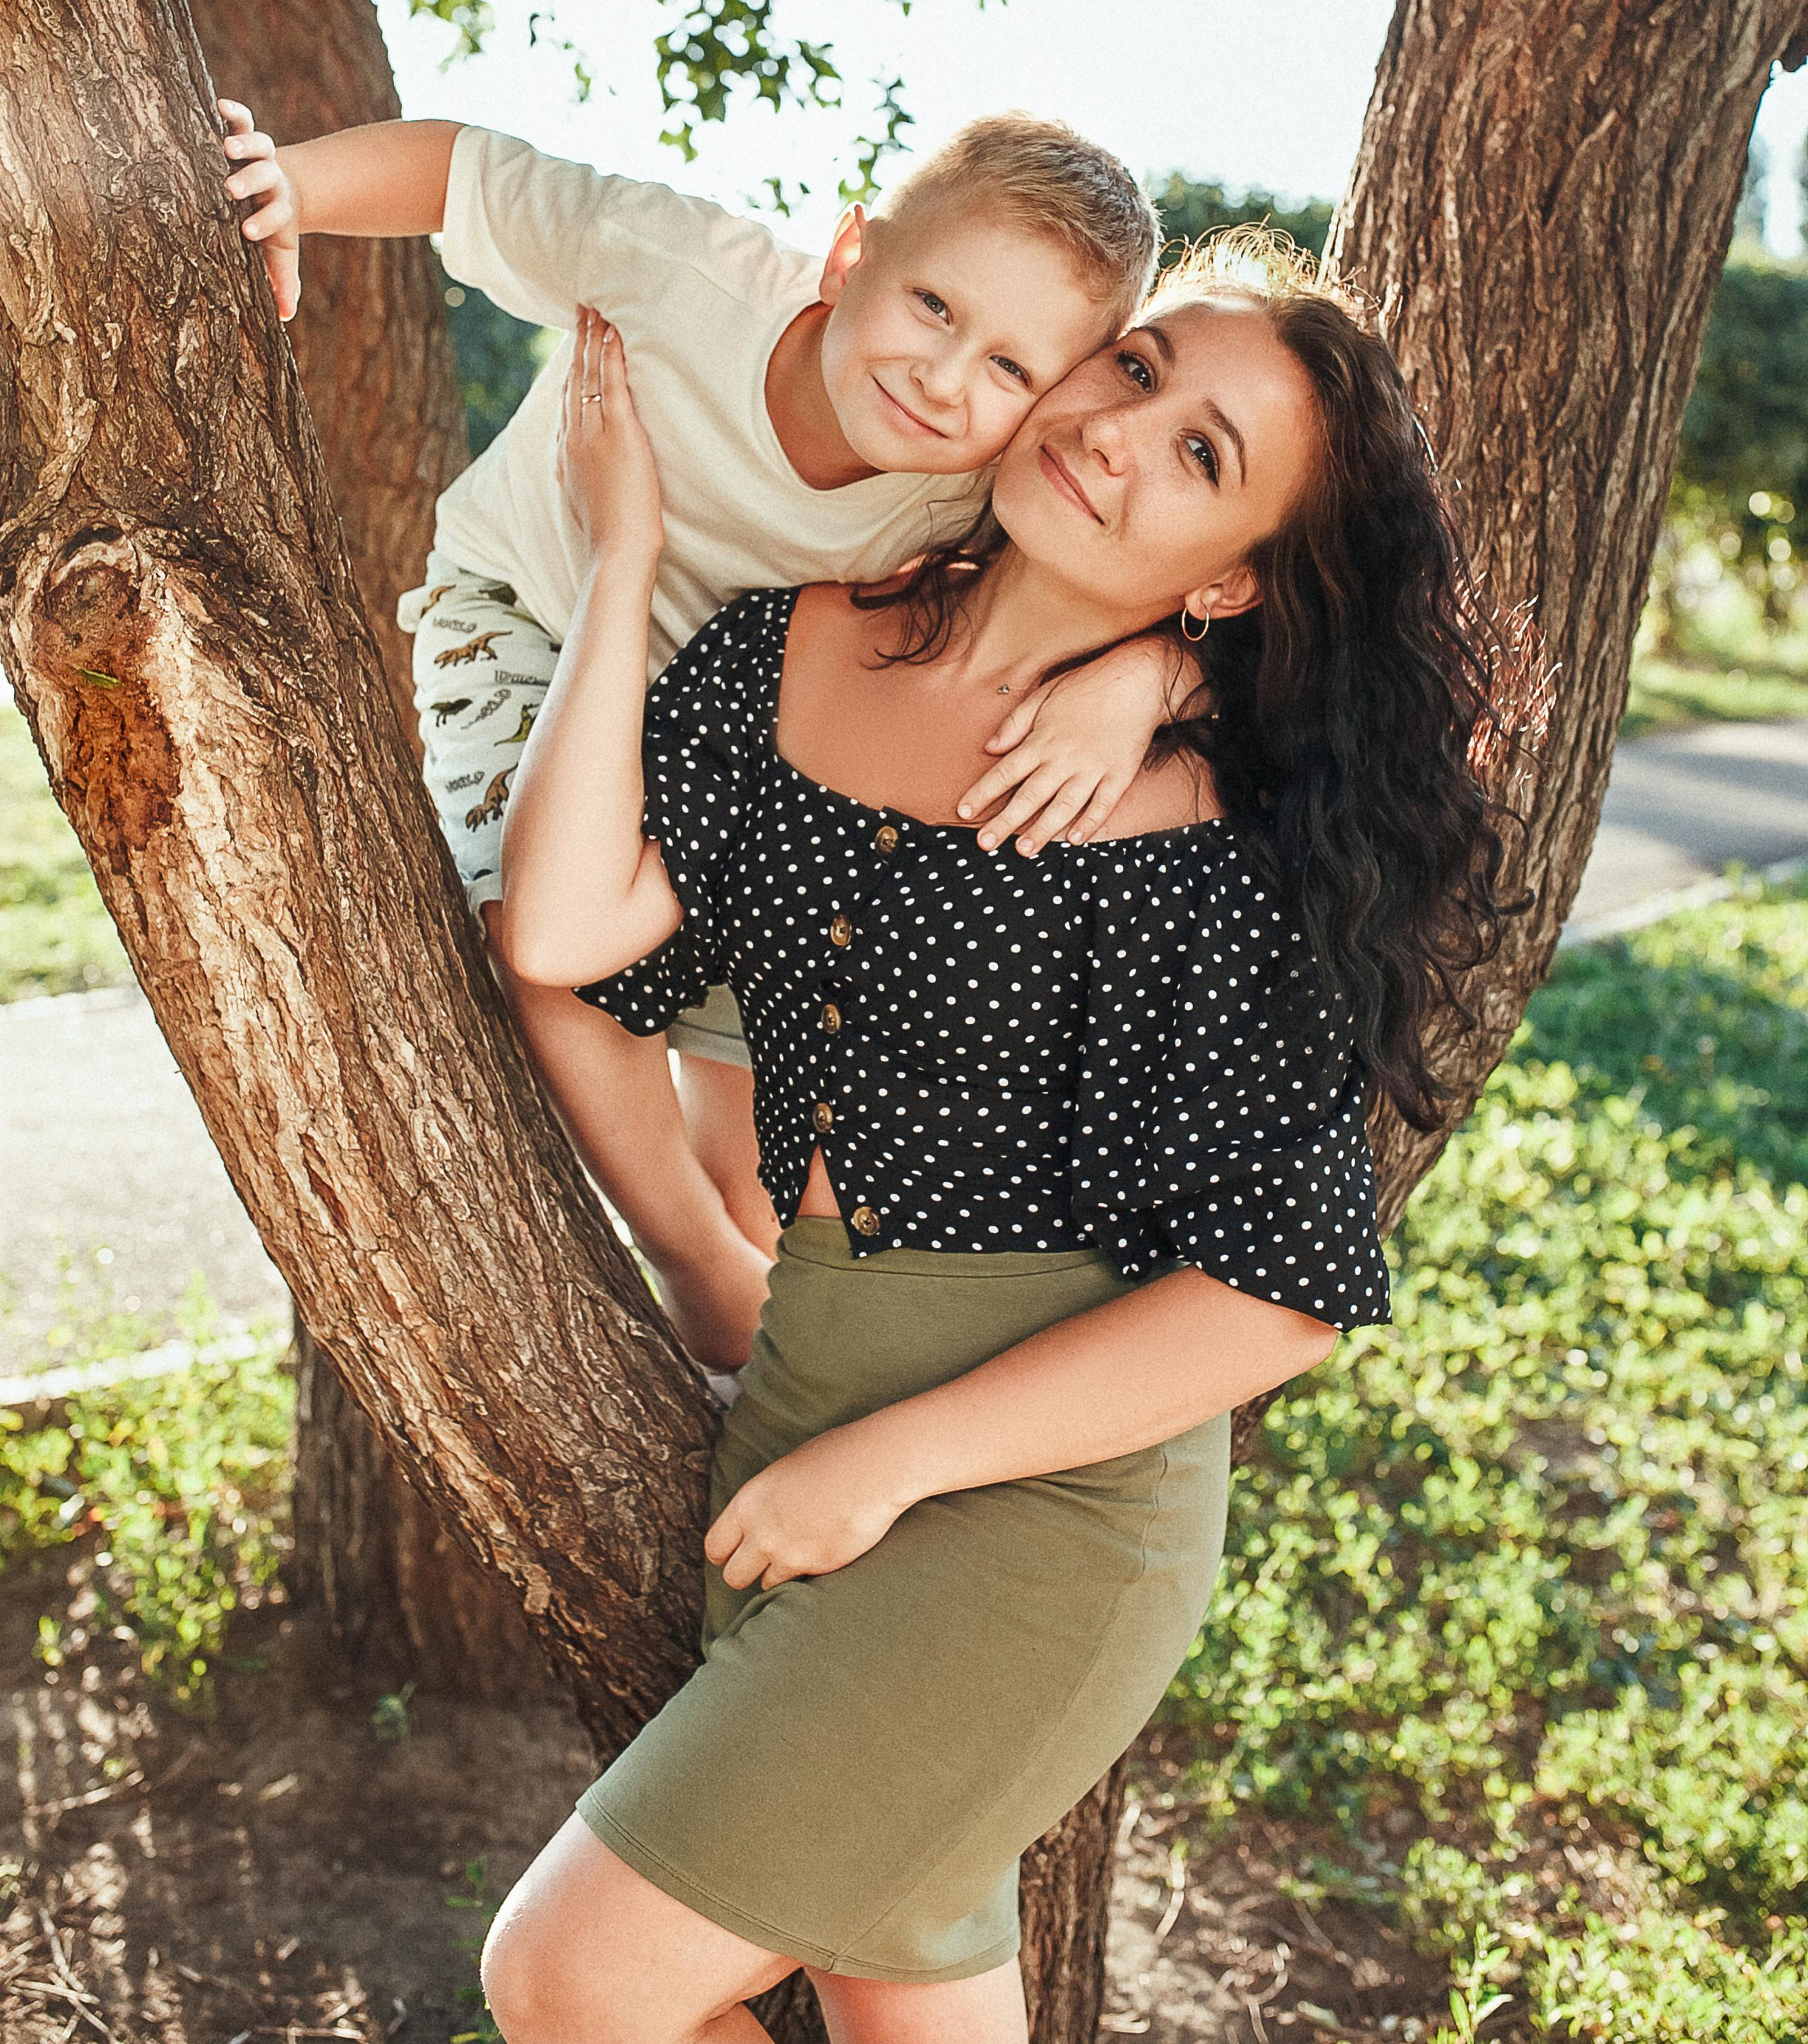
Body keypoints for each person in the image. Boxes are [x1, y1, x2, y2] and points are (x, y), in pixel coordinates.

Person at [480, 232, 1516, 2042]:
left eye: (1203, 458)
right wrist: (623, 556)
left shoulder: (1203, 833)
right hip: (804, 1410)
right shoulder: (779, 653)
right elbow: (566, 939)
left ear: (1231, 584)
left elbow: (1275, 1299)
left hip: (1037, 1519)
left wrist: (885, 1465)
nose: (1120, 438)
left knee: (566, 1981)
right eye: (1135, 371)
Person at [219, 101, 1196, 1366]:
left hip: (738, 735)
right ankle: (691, 1260)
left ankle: (762, 1292)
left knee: (756, 1121)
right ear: (853, 256)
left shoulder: (982, 490)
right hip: (531, 619)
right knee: (543, 940)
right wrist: (291, 185)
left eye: (1012, 369)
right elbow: (472, 171)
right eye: (935, 308)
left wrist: (1152, 680)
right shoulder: (681, 276)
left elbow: (1174, 588)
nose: (946, 381)